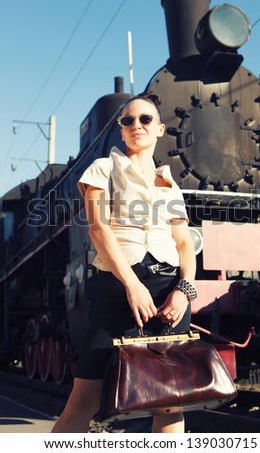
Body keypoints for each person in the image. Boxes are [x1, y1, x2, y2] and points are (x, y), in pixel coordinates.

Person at [51, 92, 197, 433]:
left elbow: (184, 243)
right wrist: (132, 283)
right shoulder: (102, 169)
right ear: (121, 130)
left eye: (145, 119)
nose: (137, 125)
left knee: (170, 400)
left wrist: (184, 291)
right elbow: (98, 229)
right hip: (118, 289)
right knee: (84, 398)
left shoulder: (171, 185)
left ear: (159, 129)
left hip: (169, 293)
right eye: (128, 120)